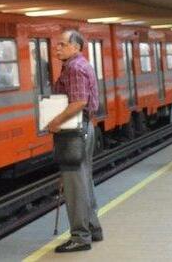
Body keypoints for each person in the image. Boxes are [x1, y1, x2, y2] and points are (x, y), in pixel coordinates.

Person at [48, 30, 102, 253]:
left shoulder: (74, 68)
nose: (57, 48)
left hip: (74, 130)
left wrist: (55, 121)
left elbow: (79, 101)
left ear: (76, 47)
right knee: (83, 179)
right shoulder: (79, 65)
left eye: (62, 44)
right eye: (57, 45)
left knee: (74, 184)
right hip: (83, 128)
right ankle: (92, 227)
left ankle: (80, 236)